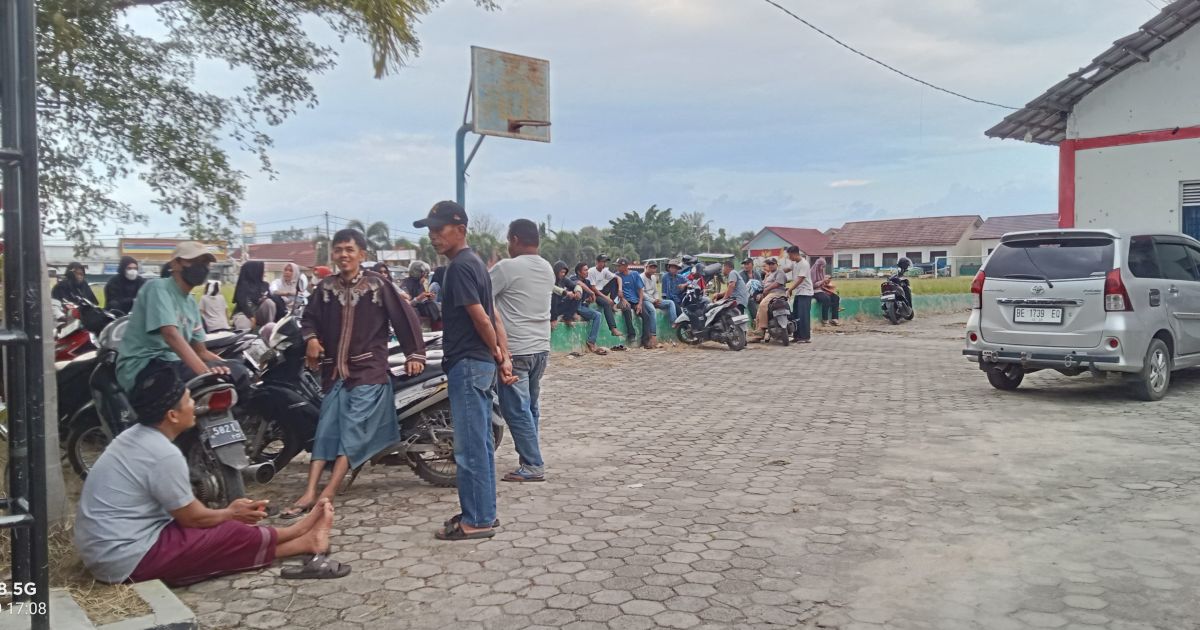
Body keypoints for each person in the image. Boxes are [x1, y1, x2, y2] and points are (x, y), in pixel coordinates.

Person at [74, 367, 348, 586]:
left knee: (222, 531)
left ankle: (302, 539)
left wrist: (229, 513)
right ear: (172, 415)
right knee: (226, 534)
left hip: (119, 547)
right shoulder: (160, 453)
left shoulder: (136, 437)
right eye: (188, 400)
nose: (194, 405)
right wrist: (231, 513)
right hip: (124, 559)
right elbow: (193, 518)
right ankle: (299, 535)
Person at [284, 229, 426, 518]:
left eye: (350, 249)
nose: (344, 255)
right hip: (334, 372)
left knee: (351, 431)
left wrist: (415, 354)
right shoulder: (324, 289)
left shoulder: (378, 285)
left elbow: (405, 317)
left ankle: (328, 491)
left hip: (369, 371)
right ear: (333, 255)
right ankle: (310, 490)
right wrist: (311, 339)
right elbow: (308, 319)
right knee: (326, 429)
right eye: (338, 250)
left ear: (362, 254)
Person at [415, 201, 516, 541]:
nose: (433, 236)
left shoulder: (459, 268)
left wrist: (498, 352)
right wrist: (502, 356)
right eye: (430, 230)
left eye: (439, 229)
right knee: (478, 444)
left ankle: (478, 521)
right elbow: (494, 315)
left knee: (471, 446)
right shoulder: (474, 265)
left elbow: (481, 317)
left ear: (460, 229)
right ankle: (481, 511)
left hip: (469, 364)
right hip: (479, 363)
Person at [115, 242, 249, 393]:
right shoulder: (158, 288)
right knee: (216, 380)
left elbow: (201, 351)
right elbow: (170, 334)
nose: (201, 267)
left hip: (173, 363)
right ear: (176, 263)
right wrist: (206, 374)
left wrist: (229, 366)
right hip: (144, 366)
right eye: (193, 261)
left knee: (237, 371)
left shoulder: (191, 302)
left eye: (205, 263)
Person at [490, 219, 555, 483]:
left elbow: (478, 296)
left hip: (515, 351)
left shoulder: (507, 268)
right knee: (530, 407)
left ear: (515, 239)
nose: (507, 246)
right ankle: (530, 456)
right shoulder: (547, 268)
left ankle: (532, 465)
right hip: (541, 348)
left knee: (516, 410)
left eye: (508, 240)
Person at [616, 258, 658, 349]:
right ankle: (631, 335)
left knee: (646, 316)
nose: (618, 267)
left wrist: (640, 303)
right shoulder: (617, 276)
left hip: (635, 299)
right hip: (624, 300)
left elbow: (640, 290)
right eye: (617, 266)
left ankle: (645, 340)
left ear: (626, 266)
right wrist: (623, 299)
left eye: (620, 266)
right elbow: (618, 291)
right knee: (626, 310)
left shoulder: (634, 274)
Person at [569, 262, 607, 355]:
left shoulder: (587, 282)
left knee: (597, 314)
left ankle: (591, 341)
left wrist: (589, 299)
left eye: (587, 269)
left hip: (582, 306)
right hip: (574, 306)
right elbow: (578, 284)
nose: (587, 272)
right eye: (585, 270)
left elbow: (586, 299)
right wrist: (592, 292)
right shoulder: (573, 278)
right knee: (597, 315)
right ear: (579, 272)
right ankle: (591, 341)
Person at [232, 261, 279, 331]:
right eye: (262, 270)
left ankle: (268, 327)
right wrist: (251, 317)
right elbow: (243, 304)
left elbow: (270, 303)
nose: (264, 272)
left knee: (269, 302)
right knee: (243, 323)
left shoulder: (265, 285)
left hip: (258, 313)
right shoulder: (243, 285)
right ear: (255, 271)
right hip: (244, 313)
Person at [586, 254, 624, 339]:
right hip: (594, 293)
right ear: (597, 262)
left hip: (602, 290)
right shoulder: (591, 271)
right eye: (602, 262)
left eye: (605, 262)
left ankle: (614, 304)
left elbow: (618, 278)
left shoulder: (605, 271)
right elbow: (593, 288)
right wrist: (606, 298)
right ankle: (613, 328)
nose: (604, 264)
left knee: (615, 281)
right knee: (606, 304)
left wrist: (620, 290)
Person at [750, 258, 788, 342]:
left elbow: (777, 283)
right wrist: (759, 293)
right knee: (758, 312)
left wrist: (767, 289)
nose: (771, 265)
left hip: (777, 293)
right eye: (769, 264)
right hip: (768, 294)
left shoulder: (779, 272)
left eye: (772, 264)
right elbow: (763, 286)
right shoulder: (769, 275)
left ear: (776, 264)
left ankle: (763, 327)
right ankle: (759, 335)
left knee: (763, 305)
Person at [402, 261, 442, 330]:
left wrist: (430, 297)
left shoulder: (423, 283)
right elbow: (407, 304)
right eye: (424, 273)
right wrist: (418, 298)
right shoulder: (406, 284)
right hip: (411, 310)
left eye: (426, 274)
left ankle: (438, 328)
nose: (425, 276)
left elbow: (425, 297)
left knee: (432, 305)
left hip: (423, 308)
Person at [785, 246, 813, 344]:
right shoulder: (795, 263)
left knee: (803, 315)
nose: (789, 257)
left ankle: (805, 337)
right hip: (798, 293)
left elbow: (800, 279)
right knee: (796, 314)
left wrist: (790, 289)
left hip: (805, 293)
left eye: (789, 255)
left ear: (795, 254)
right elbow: (787, 269)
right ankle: (797, 336)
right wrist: (776, 270)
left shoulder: (804, 264)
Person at [641, 261, 678, 328]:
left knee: (671, 303)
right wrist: (653, 301)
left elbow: (655, 291)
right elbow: (642, 293)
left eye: (654, 268)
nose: (653, 269)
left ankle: (674, 322)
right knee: (652, 310)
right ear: (646, 267)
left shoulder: (654, 277)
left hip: (654, 300)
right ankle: (653, 333)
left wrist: (657, 299)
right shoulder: (641, 277)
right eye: (651, 267)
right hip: (645, 301)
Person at [811, 257, 841, 326]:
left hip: (822, 289)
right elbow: (812, 285)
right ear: (818, 265)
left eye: (824, 266)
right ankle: (825, 320)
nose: (822, 268)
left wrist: (827, 282)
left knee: (836, 297)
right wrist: (822, 281)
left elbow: (822, 282)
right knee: (826, 299)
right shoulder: (812, 272)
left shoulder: (821, 271)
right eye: (822, 266)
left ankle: (834, 318)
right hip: (814, 291)